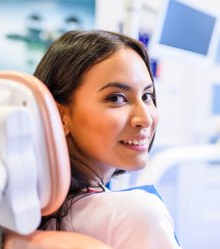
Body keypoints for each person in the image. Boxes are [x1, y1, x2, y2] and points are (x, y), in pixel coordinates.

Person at [33, 30, 182, 249]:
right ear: (59, 115)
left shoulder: (23, 214)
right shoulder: (135, 215)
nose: (145, 118)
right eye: (116, 98)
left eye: (146, 96)